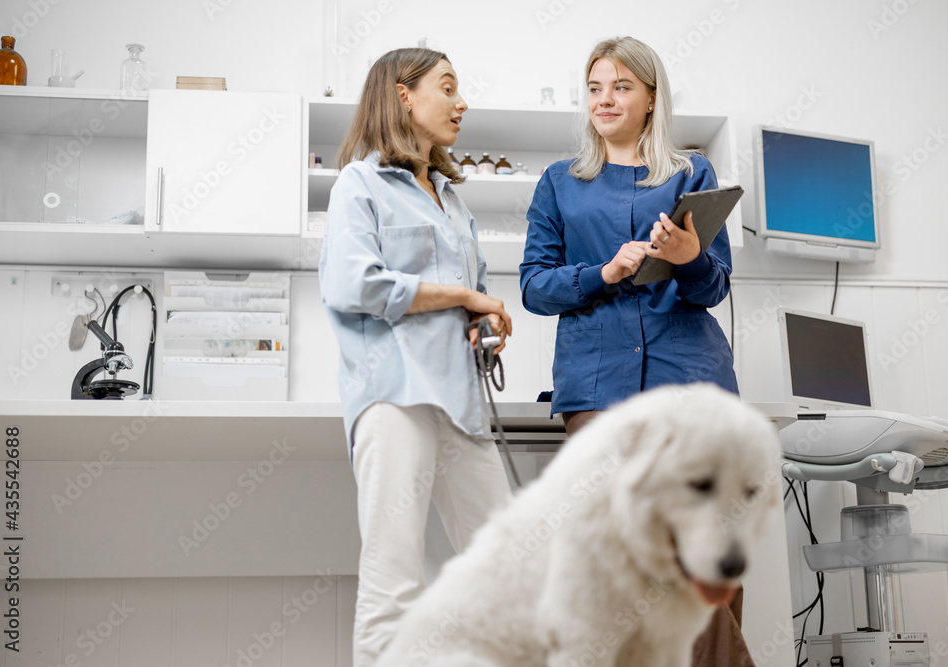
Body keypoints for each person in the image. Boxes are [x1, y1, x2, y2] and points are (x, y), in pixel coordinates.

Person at [519, 37, 749, 667]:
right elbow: (535, 287)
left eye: (621, 86)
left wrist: (688, 258)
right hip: (599, 390)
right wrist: (603, 273)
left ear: (651, 97)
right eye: (595, 87)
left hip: (690, 380)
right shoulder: (559, 183)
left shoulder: (690, 174)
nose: (605, 99)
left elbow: (714, 287)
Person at [319, 48, 513, 667]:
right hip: (395, 397)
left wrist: (481, 317)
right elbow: (354, 285)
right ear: (403, 96)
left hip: (461, 403)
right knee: (394, 582)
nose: (462, 103)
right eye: (448, 88)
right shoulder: (359, 182)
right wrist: (459, 293)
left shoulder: (453, 200)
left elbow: (468, 293)